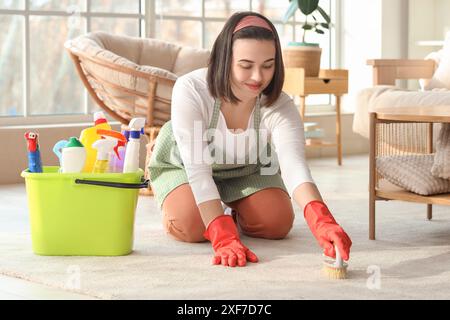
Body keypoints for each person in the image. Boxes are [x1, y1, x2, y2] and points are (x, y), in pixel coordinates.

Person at [148, 11, 352, 268]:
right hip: (186, 167)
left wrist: (321, 218)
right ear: (225, 59)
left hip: (246, 169)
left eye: (268, 65)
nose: (258, 77)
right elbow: (198, 170)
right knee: (192, 226)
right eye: (246, 65)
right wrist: (221, 234)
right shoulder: (191, 89)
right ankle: (190, 206)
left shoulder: (279, 104)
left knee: (276, 223)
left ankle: (231, 210)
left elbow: (293, 165)